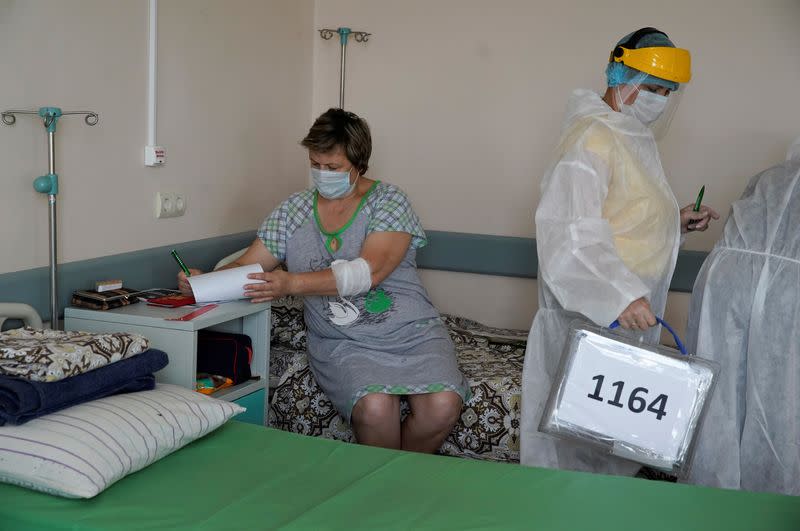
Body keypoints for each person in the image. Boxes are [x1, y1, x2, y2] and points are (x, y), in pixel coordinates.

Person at [178, 108, 468, 453]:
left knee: (443, 406)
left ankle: (399, 485)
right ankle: (389, 493)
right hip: (344, 340)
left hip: (411, 332)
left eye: (333, 168)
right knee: (375, 408)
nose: (322, 174)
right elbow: (248, 264)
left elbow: (370, 271)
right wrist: (202, 281)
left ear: (359, 164)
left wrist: (291, 284)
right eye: (315, 164)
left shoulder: (390, 201)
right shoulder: (293, 210)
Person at [520, 27, 719, 475]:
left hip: (626, 318)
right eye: (651, 88)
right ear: (617, 73)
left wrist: (674, 222)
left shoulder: (629, 136)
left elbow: (622, 221)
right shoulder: (591, 138)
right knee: (576, 451)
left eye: (668, 91)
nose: (659, 99)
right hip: (590, 318)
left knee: (613, 446)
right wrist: (619, 294)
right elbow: (568, 235)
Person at [686, 137, 800, 495]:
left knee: (720, 406)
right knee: (781, 411)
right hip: (781, 297)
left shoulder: (770, 178)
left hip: (727, 284)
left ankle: (710, 505)